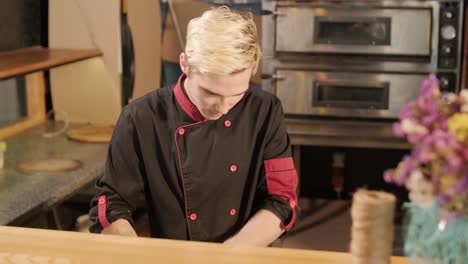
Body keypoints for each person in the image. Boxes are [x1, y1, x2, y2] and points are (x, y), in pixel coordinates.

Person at [89, 6, 298, 246]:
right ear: (185, 64)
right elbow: (112, 205)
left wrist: (230, 255)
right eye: (210, 92)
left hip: (246, 251)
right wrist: (136, 252)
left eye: (237, 94)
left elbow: (282, 198)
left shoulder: (265, 111)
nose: (223, 108)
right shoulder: (140, 118)